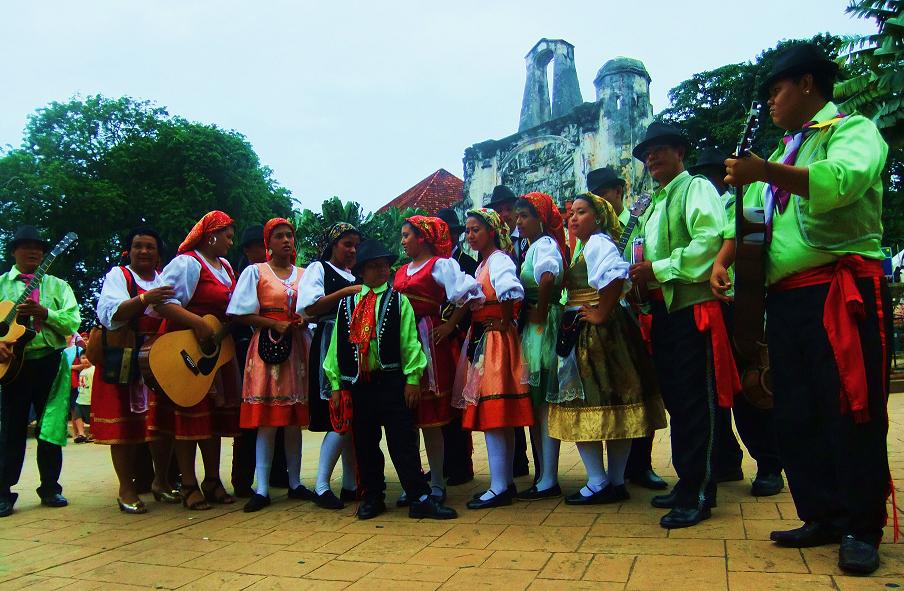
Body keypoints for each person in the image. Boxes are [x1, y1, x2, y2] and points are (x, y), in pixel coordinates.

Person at [720, 43, 891, 574]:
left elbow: (842, 182)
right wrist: (728, 255)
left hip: (841, 292)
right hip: (787, 299)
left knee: (850, 408)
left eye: (777, 89)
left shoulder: (851, 129)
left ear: (808, 86)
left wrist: (764, 171)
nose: (770, 101)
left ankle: (862, 527)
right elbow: (758, 222)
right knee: (795, 413)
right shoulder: (788, 149)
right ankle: (822, 513)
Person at [629, 122, 740, 529]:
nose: (651, 159)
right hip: (664, 311)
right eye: (646, 154)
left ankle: (700, 491)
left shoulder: (695, 187)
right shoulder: (654, 202)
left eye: (659, 150)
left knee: (698, 402)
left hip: (694, 308)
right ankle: (687, 481)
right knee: (678, 400)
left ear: (680, 153)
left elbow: (708, 242)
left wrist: (657, 269)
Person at [323, 239, 458, 521]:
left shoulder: (399, 301)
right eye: (374, 266)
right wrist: (336, 385)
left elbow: (410, 342)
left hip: (392, 380)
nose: (381, 271)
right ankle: (373, 496)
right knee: (365, 442)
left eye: (384, 265)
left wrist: (412, 379)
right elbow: (336, 348)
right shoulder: (347, 304)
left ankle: (419, 496)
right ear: (362, 271)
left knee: (402, 441)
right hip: (359, 383)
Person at [551, 193, 667, 505]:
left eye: (582, 212)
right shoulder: (586, 246)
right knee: (616, 404)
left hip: (596, 333)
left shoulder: (598, 243)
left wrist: (600, 312)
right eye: (571, 213)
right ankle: (614, 481)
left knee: (583, 402)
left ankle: (599, 481)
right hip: (604, 330)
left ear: (599, 217)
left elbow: (617, 274)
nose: (574, 218)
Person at [691, 149, 785, 495]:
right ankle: (725, 459)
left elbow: (745, 237)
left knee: (749, 385)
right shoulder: (700, 210)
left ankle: (769, 462)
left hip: (741, 305)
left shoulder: (741, 203)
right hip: (706, 308)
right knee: (714, 390)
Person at [152, 211, 241, 511]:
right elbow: (161, 302)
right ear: (211, 235)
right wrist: (198, 324)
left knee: (212, 420)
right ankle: (189, 483)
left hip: (215, 353)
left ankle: (212, 480)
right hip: (188, 351)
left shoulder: (227, 267)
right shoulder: (187, 263)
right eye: (227, 235)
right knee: (188, 418)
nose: (231, 240)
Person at [586, 166, 668, 492]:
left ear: (620, 191)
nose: (601, 200)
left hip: (638, 312)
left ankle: (641, 464)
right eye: (595, 195)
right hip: (602, 318)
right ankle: (612, 471)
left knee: (641, 388)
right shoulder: (589, 235)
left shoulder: (639, 223)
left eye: (605, 192)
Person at [394, 216, 483, 505]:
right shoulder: (401, 270)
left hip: (428, 341)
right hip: (403, 342)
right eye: (403, 236)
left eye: (408, 235)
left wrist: (450, 324)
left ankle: (435, 482)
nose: (403, 240)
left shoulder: (440, 265)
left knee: (431, 419)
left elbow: (468, 294)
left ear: (423, 238)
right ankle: (412, 479)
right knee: (407, 419)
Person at [92, 227, 180, 514]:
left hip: (158, 361)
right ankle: (126, 488)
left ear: (158, 253)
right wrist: (145, 299)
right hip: (126, 359)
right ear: (128, 251)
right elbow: (112, 314)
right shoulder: (120, 276)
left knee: (163, 425)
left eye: (150, 247)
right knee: (125, 425)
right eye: (138, 246)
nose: (144, 251)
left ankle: (161, 481)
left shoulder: (164, 279)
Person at [227, 218, 312, 512]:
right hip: (266, 347)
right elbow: (239, 313)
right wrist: (274, 324)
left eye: (289, 235)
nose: (286, 240)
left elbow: (312, 307)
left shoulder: (304, 274)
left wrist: (302, 320)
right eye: (279, 236)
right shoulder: (255, 272)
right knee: (266, 419)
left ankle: (295, 482)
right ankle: (262, 487)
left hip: (297, 347)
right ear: (269, 243)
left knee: (292, 419)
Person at [0, 225, 81, 517]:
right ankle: (3, 492)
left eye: (38, 246)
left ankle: (51, 488)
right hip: (12, 366)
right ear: (13, 251)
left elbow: (73, 322)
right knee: (10, 429)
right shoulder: (1, 285)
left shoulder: (58, 286)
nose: (33, 251)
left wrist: (46, 314)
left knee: (50, 427)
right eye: (25, 246)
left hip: (50, 361)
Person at [455, 209, 534, 509]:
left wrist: (503, 320)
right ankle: (505, 482)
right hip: (487, 338)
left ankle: (500, 486)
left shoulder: (498, 260)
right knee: (499, 415)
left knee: (495, 414)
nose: (470, 235)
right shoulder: (484, 264)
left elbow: (511, 291)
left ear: (491, 231)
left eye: (476, 229)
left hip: (495, 341)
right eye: (468, 230)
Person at [297, 223, 362, 509]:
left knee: (353, 416)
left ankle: (350, 484)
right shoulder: (318, 270)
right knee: (341, 414)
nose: (352, 251)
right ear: (332, 245)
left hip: (354, 345)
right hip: (330, 344)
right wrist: (349, 292)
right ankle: (322, 485)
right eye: (346, 244)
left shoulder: (355, 276)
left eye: (355, 246)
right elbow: (310, 307)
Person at [511, 193, 566, 500]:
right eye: (518, 216)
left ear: (540, 218)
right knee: (538, 403)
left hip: (541, 328)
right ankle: (544, 474)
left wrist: (541, 310)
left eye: (524, 216)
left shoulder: (544, 245)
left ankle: (548, 477)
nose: (518, 221)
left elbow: (547, 278)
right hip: (536, 326)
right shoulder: (536, 246)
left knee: (543, 402)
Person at [485, 185, 533, 479]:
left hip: (528, 320)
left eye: (508, 209)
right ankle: (516, 465)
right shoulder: (494, 250)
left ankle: (541, 470)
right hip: (508, 326)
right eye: (499, 209)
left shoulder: (527, 241)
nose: (505, 214)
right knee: (507, 394)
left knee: (525, 394)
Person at [435, 208, 478, 486]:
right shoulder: (430, 264)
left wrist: (453, 326)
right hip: (434, 341)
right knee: (438, 404)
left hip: (458, 339)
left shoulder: (467, 264)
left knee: (456, 403)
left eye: (451, 232)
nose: (447, 237)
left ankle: (461, 464)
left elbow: (473, 300)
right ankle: (444, 463)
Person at [69, 338, 91, 443]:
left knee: (92, 417)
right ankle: (81, 433)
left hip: (90, 398)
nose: (85, 360)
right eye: (83, 358)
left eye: (87, 358)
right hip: (81, 398)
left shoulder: (94, 369)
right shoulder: (82, 370)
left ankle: (92, 433)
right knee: (77, 415)